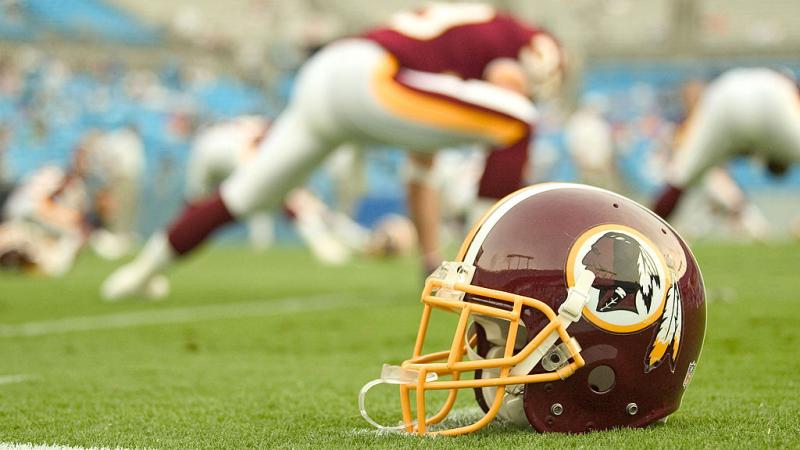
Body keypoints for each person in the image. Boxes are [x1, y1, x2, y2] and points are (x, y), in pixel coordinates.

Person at [101, 2, 564, 300]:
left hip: (328, 78)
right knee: (517, 118)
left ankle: (138, 275)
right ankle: (485, 274)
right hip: (368, 79)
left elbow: (420, 170)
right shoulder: (514, 38)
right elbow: (513, 90)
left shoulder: (461, 43)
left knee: (244, 195)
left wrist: (429, 259)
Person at [652, 68, 799, 220]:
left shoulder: (775, 142)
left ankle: (646, 232)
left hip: (723, 90)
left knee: (679, 180)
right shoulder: (782, 141)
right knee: (681, 180)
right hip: (774, 95)